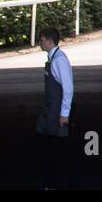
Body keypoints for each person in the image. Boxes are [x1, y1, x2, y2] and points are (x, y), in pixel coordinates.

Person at [35, 27, 74, 189]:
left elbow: (68, 88)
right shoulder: (53, 59)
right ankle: (52, 181)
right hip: (50, 110)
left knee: (56, 149)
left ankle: (57, 183)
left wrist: (64, 113)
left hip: (55, 111)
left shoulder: (59, 60)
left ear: (50, 41)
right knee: (49, 147)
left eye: (42, 40)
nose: (40, 43)